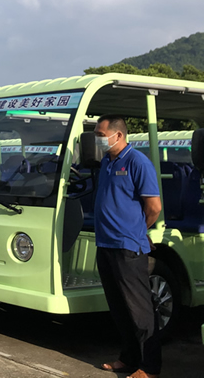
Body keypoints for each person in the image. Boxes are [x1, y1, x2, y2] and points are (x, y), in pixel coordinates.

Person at [94, 115, 162, 378]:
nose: (97, 140)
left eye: (101, 135)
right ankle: (129, 358)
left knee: (139, 309)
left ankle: (149, 367)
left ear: (118, 135)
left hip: (128, 247)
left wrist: (138, 232)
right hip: (106, 243)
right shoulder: (107, 162)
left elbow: (154, 207)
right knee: (119, 307)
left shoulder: (137, 162)